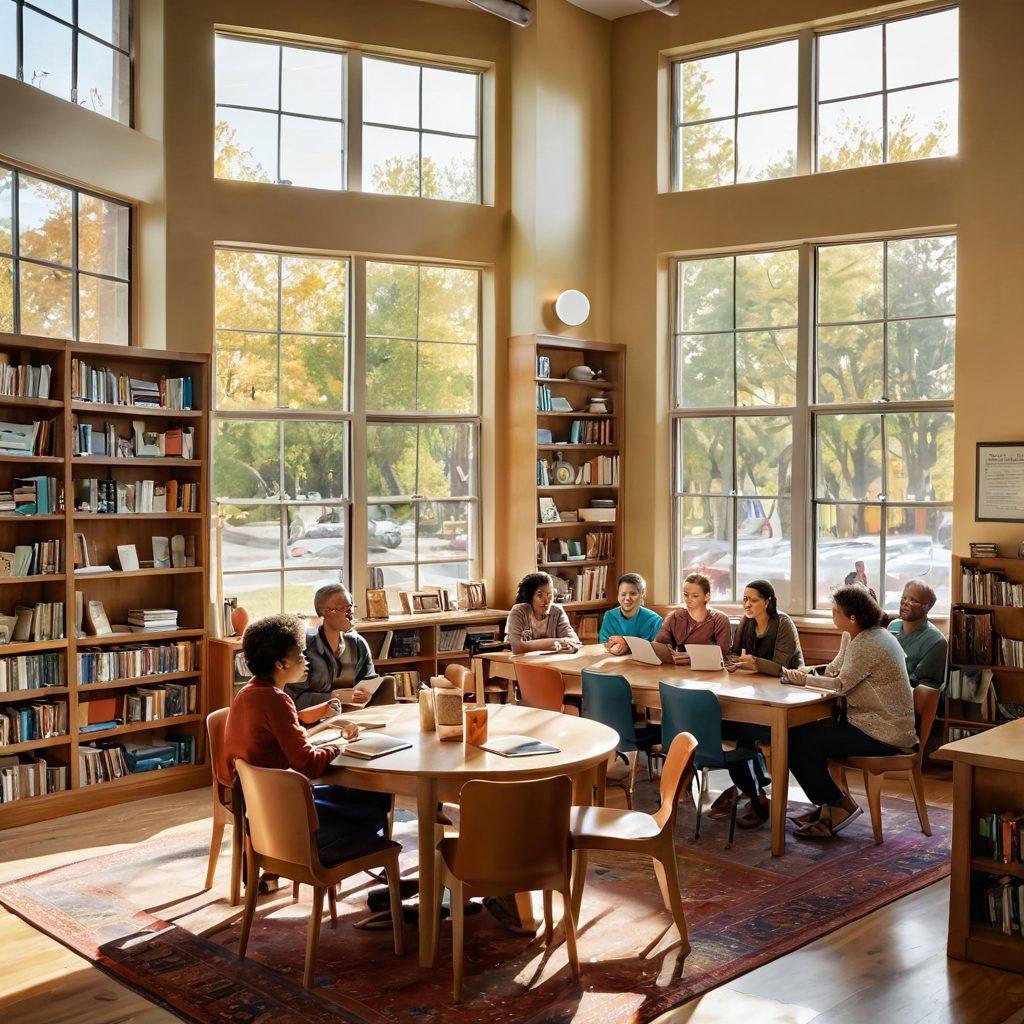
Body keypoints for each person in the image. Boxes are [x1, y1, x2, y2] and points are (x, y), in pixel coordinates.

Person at [224, 614, 392, 870]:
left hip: (260, 806)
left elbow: (277, 732)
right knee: (375, 801)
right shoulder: (277, 700)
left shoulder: (248, 693)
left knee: (367, 800)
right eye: (300, 656)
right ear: (281, 664)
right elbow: (307, 765)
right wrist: (340, 746)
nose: (306, 661)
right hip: (286, 812)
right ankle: (375, 860)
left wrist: (311, 718)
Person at [782, 585, 917, 840]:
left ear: (852, 617)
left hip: (884, 732)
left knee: (798, 741)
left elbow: (840, 684)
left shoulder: (870, 642)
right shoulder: (856, 635)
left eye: (835, 611)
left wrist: (802, 681)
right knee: (800, 735)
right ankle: (828, 806)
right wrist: (806, 673)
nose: (832, 615)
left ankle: (838, 805)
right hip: (868, 723)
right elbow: (834, 670)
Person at [710, 580, 806, 828]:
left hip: (787, 698)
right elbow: (734, 654)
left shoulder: (783, 623)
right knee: (726, 727)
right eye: (744, 599)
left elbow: (783, 667)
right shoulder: (746, 622)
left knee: (742, 733)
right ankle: (754, 791)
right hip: (755, 694)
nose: (747, 604)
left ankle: (754, 794)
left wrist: (754, 663)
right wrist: (733, 663)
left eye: (753, 600)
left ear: (768, 601)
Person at [287, 584, 395, 711]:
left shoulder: (358, 643)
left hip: (353, 714)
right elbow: (293, 698)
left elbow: (369, 679)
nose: (351, 614)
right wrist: (331, 698)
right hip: (313, 718)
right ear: (325, 612)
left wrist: (366, 692)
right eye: (344, 609)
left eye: (351, 607)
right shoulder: (306, 647)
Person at [651, 572, 730, 665]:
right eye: (685, 594)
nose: (688, 599)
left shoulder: (720, 620)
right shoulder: (673, 617)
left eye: (695, 596)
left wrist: (695, 658)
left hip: (708, 672)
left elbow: (723, 655)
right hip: (679, 670)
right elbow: (659, 645)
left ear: (707, 596)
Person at [889, 580, 948, 688]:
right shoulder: (893, 627)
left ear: (926, 607)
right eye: (904, 598)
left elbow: (926, 689)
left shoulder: (936, 642)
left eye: (913, 600)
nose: (905, 603)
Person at [506, 572, 581, 655]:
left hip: (550, 663)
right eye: (540, 595)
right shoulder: (519, 611)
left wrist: (529, 646)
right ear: (530, 597)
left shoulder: (557, 612)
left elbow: (574, 643)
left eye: (549, 594)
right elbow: (517, 648)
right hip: (520, 664)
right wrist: (558, 641)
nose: (546, 600)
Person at [601, 572, 664, 653]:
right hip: (614, 662)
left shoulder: (655, 621)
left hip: (645, 664)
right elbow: (604, 645)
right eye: (623, 594)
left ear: (643, 594)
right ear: (618, 596)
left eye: (633, 593)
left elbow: (658, 650)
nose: (627, 598)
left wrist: (626, 644)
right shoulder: (609, 616)